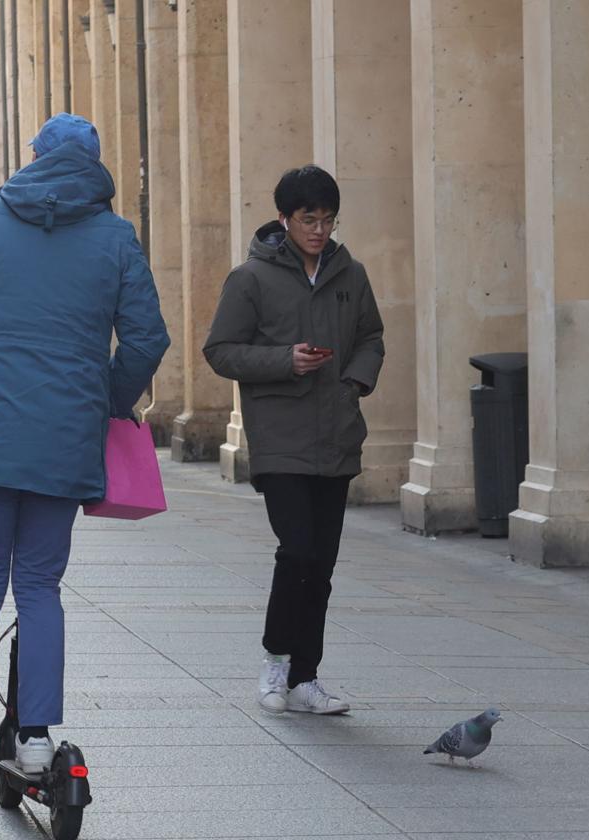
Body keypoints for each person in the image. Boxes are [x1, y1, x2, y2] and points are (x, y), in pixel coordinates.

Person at [0, 113, 169, 805]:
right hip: (63, 441)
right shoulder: (115, 237)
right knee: (39, 589)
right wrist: (105, 401)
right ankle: (33, 737)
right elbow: (147, 339)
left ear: (34, 160)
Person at [204, 165, 385, 716]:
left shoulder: (350, 274)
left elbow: (371, 335)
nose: (319, 230)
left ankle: (307, 677)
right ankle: (275, 660)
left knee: (322, 565)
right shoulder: (250, 279)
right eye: (309, 219)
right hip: (280, 436)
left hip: (336, 436)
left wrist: (355, 379)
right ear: (284, 219)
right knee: (298, 550)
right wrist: (286, 361)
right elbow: (221, 351)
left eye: (328, 220)